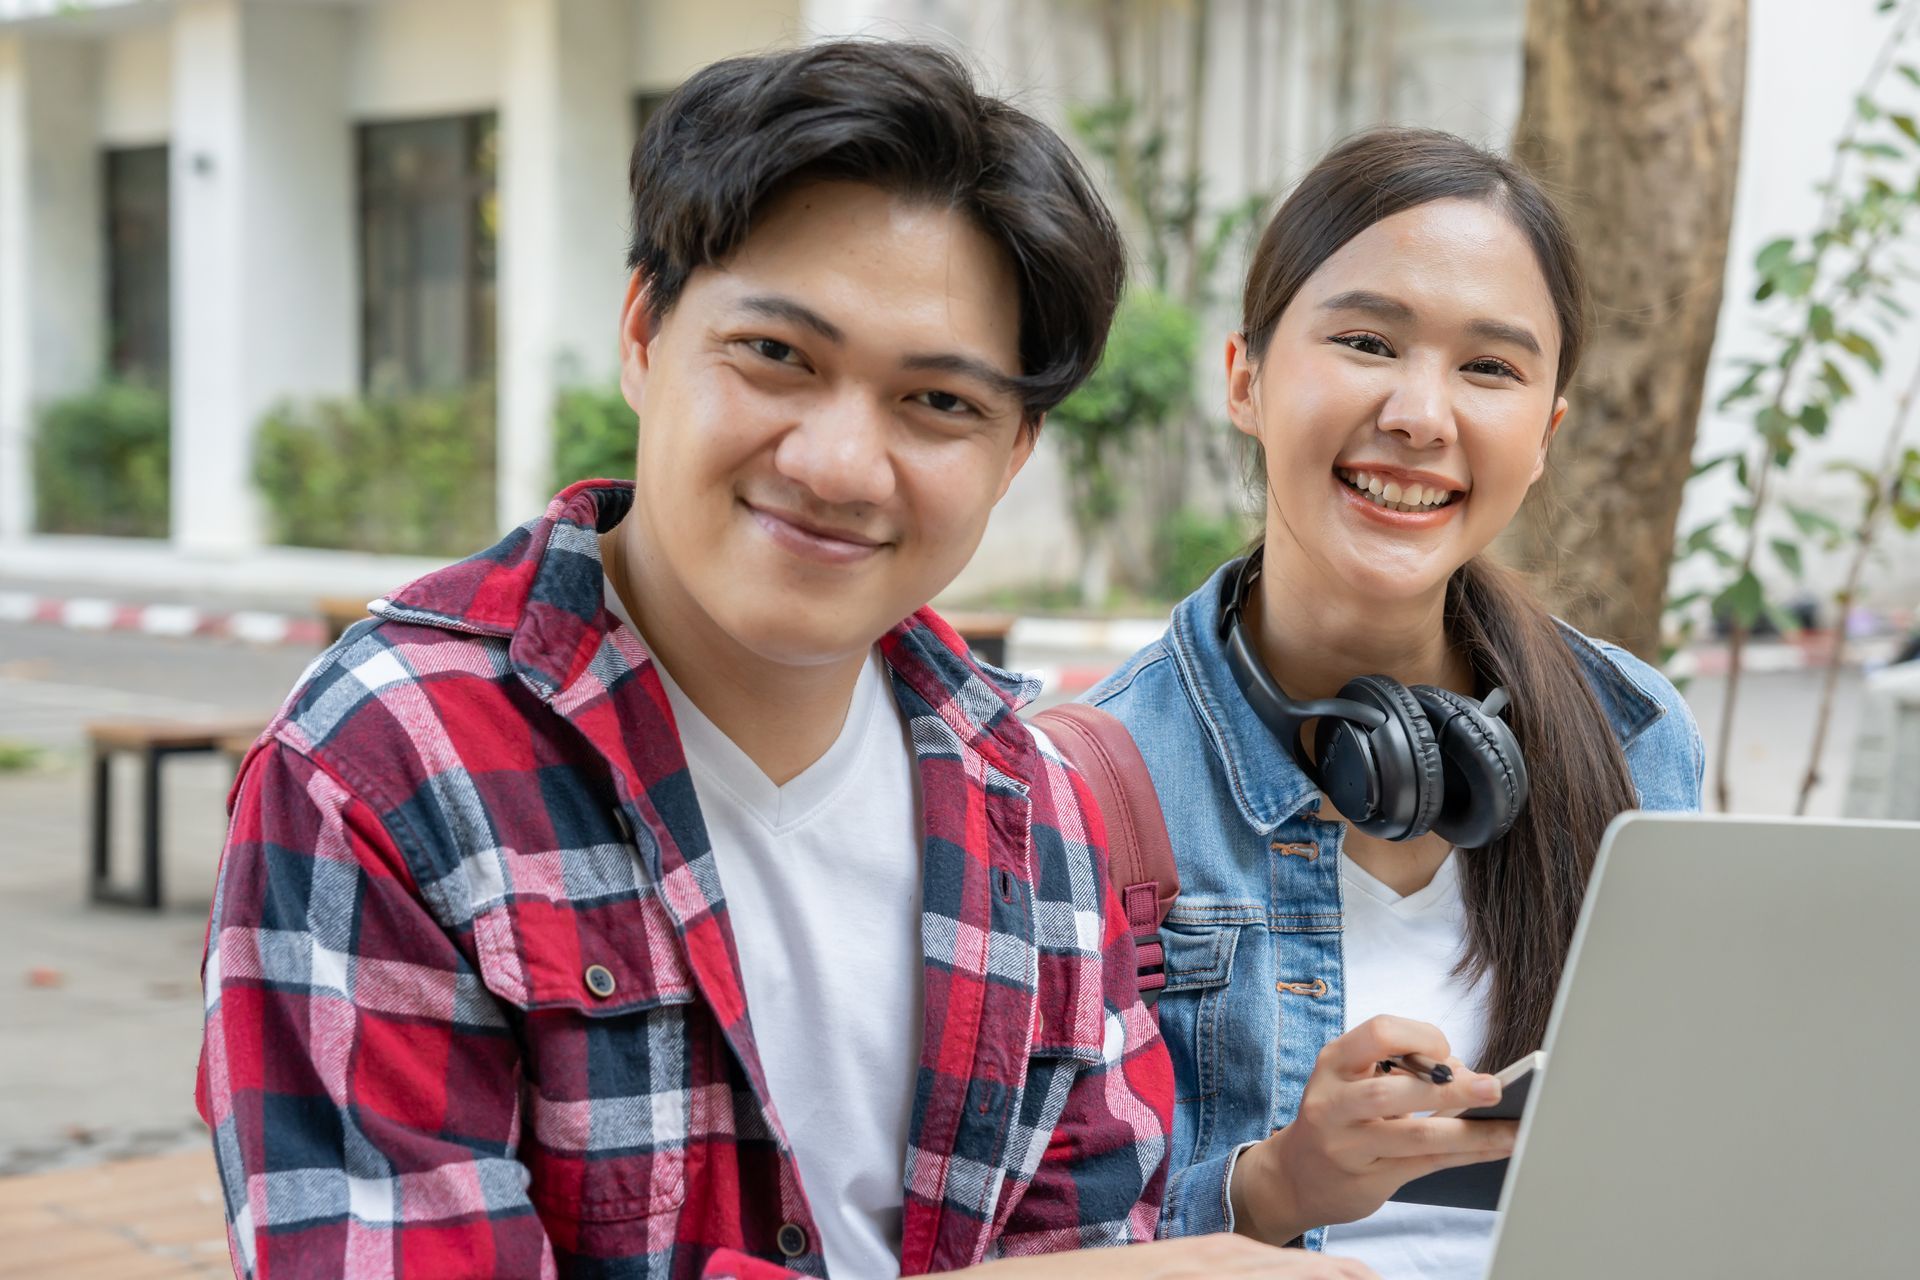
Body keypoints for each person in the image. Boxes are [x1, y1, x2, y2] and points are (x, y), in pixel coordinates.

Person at [195, 39, 1372, 1280]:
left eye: (939, 403)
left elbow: (1084, 1230)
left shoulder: (1031, 800)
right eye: (777, 356)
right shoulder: (388, 766)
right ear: (645, 332)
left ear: (1014, 451)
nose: (838, 464)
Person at [1083, 128, 1704, 1276]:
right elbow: (1026, 1238)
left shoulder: (1635, 733)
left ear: (1544, 436)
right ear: (1246, 378)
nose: (1422, 414)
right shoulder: (1093, 775)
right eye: (1368, 341)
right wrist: (1276, 1184)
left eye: (1491, 368)